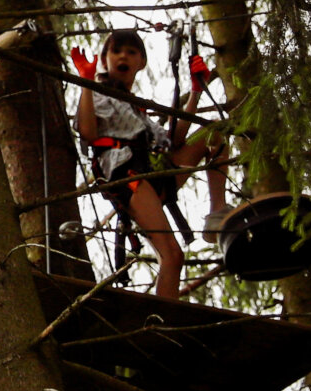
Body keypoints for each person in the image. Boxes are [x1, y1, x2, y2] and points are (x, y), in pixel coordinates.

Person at [72, 27, 227, 300]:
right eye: (116, 50)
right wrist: (86, 81)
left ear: (141, 63)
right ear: (105, 59)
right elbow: (87, 132)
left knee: (214, 131)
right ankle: (163, 322)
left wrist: (195, 91)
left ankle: (216, 212)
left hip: (150, 174)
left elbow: (173, 139)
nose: (124, 56)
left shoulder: (136, 108)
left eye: (131, 52)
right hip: (126, 176)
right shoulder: (98, 94)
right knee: (172, 255)